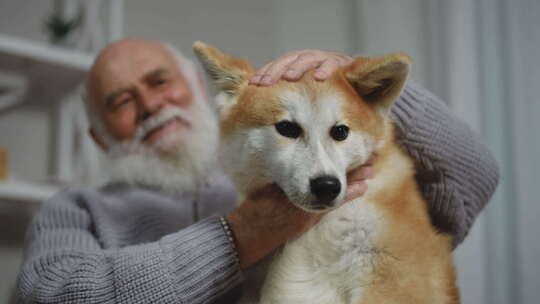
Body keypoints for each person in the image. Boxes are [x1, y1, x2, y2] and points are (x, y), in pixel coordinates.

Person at [16, 38, 499, 304]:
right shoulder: (76, 209)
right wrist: (240, 236)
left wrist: (358, 86)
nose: (150, 105)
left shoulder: (314, 173)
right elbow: (52, 296)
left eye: (160, 81)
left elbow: (471, 177)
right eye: (120, 101)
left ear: (200, 89)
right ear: (100, 136)